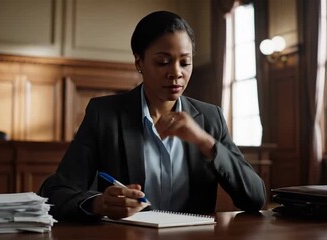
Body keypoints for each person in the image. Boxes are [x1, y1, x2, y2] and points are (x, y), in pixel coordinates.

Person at [41, 10, 266, 222]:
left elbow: (255, 197)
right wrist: (99, 204)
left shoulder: (209, 117)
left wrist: (205, 141)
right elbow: (58, 192)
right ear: (139, 62)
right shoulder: (105, 115)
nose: (176, 73)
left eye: (185, 62)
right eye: (163, 62)